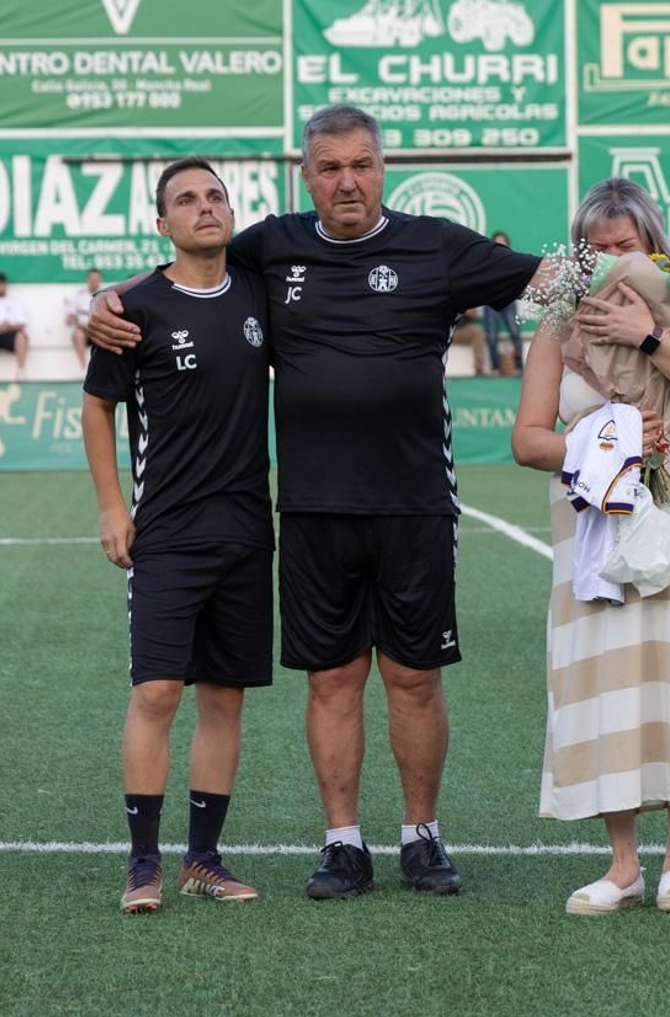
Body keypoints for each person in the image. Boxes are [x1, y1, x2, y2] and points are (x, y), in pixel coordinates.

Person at [90, 105, 543, 901]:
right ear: (306, 176)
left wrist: (650, 284)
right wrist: (105, 301)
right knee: (331, 679)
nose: (346, 181)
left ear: (382, 168)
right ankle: (343, 843)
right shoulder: (276, 244)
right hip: (309, 510)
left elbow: (545, 280)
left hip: (414, 503)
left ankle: (421, 835)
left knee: (414, 678)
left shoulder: (436, 244)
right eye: (329, 167)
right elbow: (179, 276)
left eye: (361, 165)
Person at [512, 178, 670, 915]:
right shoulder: (556, 320)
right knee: (600, 680)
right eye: (599, 249)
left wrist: (649, 334)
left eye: (627, 246)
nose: (614, 262)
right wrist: (600, 440)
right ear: (579, 256)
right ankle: (620, 863)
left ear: (654, 245)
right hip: (592, 523)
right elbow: (528, 438)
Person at [82, 158, 273, 914]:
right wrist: (109, 506)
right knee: (158, 690)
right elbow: (97, 408)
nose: (205, 208)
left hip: (247, 531)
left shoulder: (257, 288)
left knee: (225, 696)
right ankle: (141, 862)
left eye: (215, 196)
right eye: (186, 200)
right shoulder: (135, 308)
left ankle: (205, 858)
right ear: (163, 224)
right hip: (165, 531)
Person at [482, 231, 525, 373]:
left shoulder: (512, 260)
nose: (500, 244)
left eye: (503, 241)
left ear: (507, 244)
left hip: (509, 300)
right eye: (497, 241)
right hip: (491, 301)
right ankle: (495, 368)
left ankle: (519, 367)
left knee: (514, 332)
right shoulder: (486, 261)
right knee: (492, 335)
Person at [65, 269, 104, 371]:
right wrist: (80, 324)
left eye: (97, 279)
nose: (94, 281)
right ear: (87, 279)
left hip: (99, 329)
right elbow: (70, 317)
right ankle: (83, 368)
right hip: (82, 329)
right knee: (78, 334)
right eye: (92, 278)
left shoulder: (105, 295)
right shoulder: (78, 295)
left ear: (100, 280)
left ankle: (102, 369)